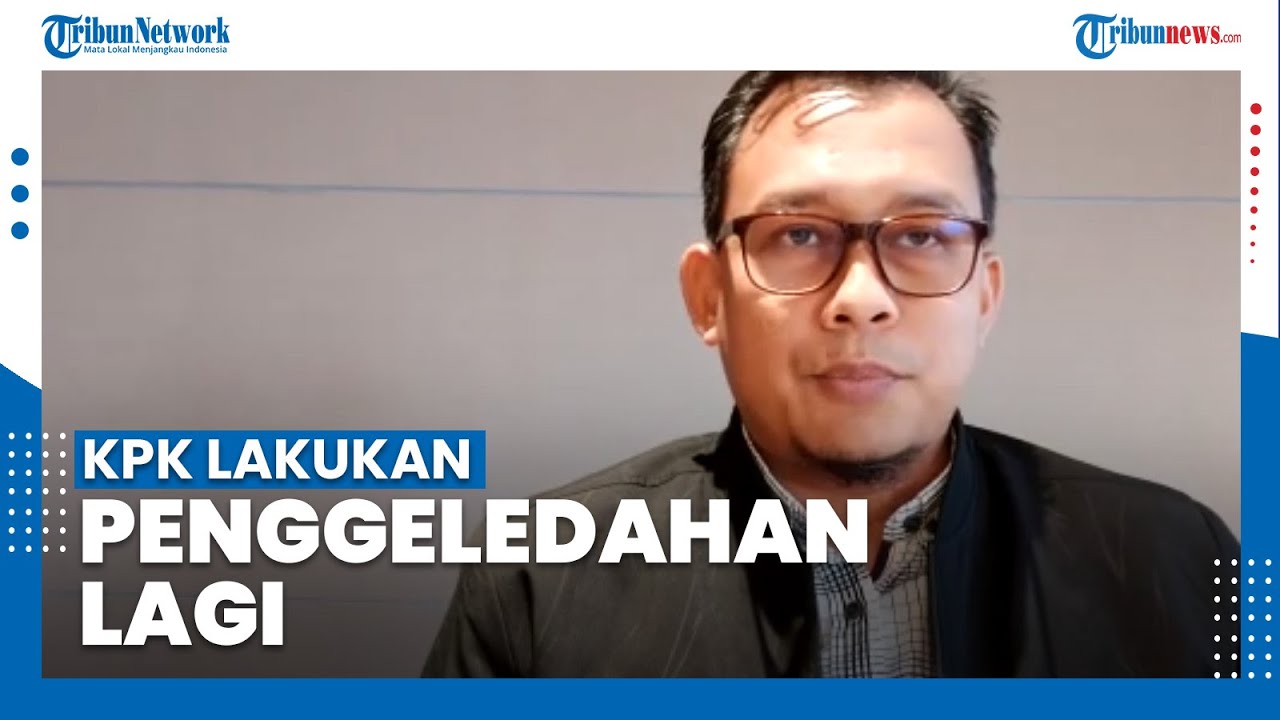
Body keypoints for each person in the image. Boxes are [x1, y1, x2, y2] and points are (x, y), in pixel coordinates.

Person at [423, 71, 1239, 678]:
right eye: (798, 234)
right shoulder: (541, 579)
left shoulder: (1179, 560)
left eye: (921, 236)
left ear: (984, 298)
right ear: (708, 298)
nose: (860, 300)